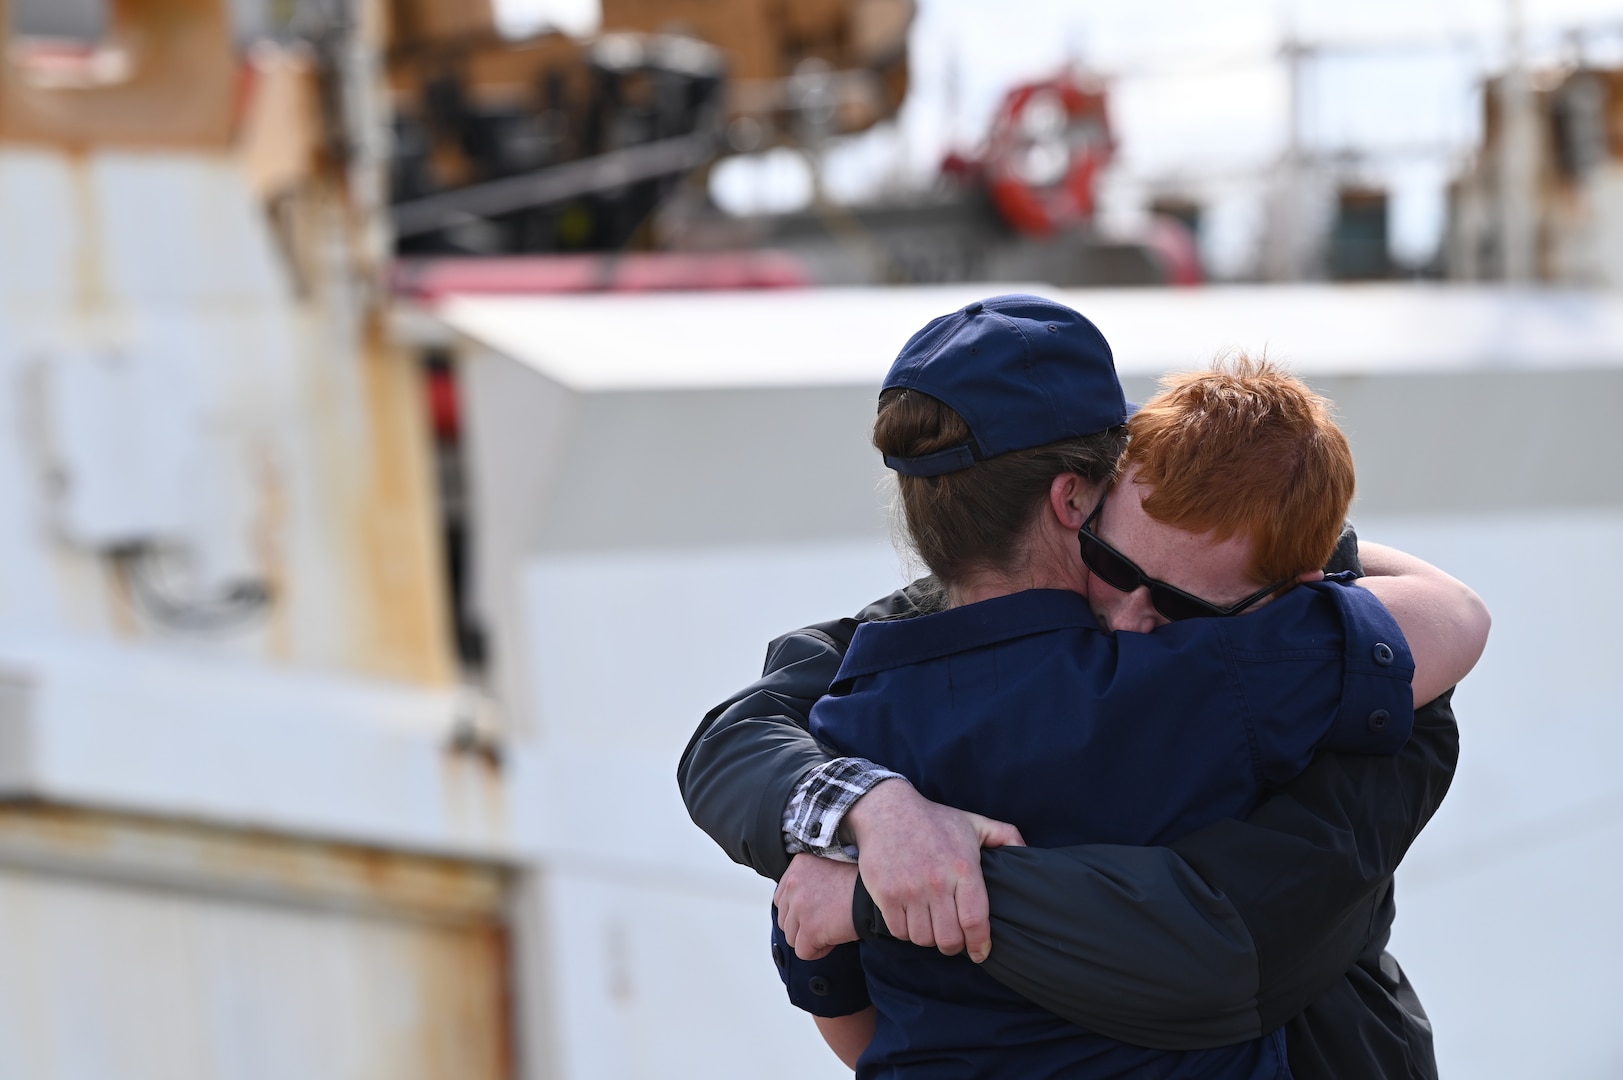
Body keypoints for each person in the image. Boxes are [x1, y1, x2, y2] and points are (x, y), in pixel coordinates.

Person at [677, 296, 1487, 1077]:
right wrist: (1290, 540)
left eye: (1173, 602)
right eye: (1116, 566)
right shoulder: (1275, 683)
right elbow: (1453, 614)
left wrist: (878, 871)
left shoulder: (854, 705)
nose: (1136, 620)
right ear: (1077, 499)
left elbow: (837, 997)